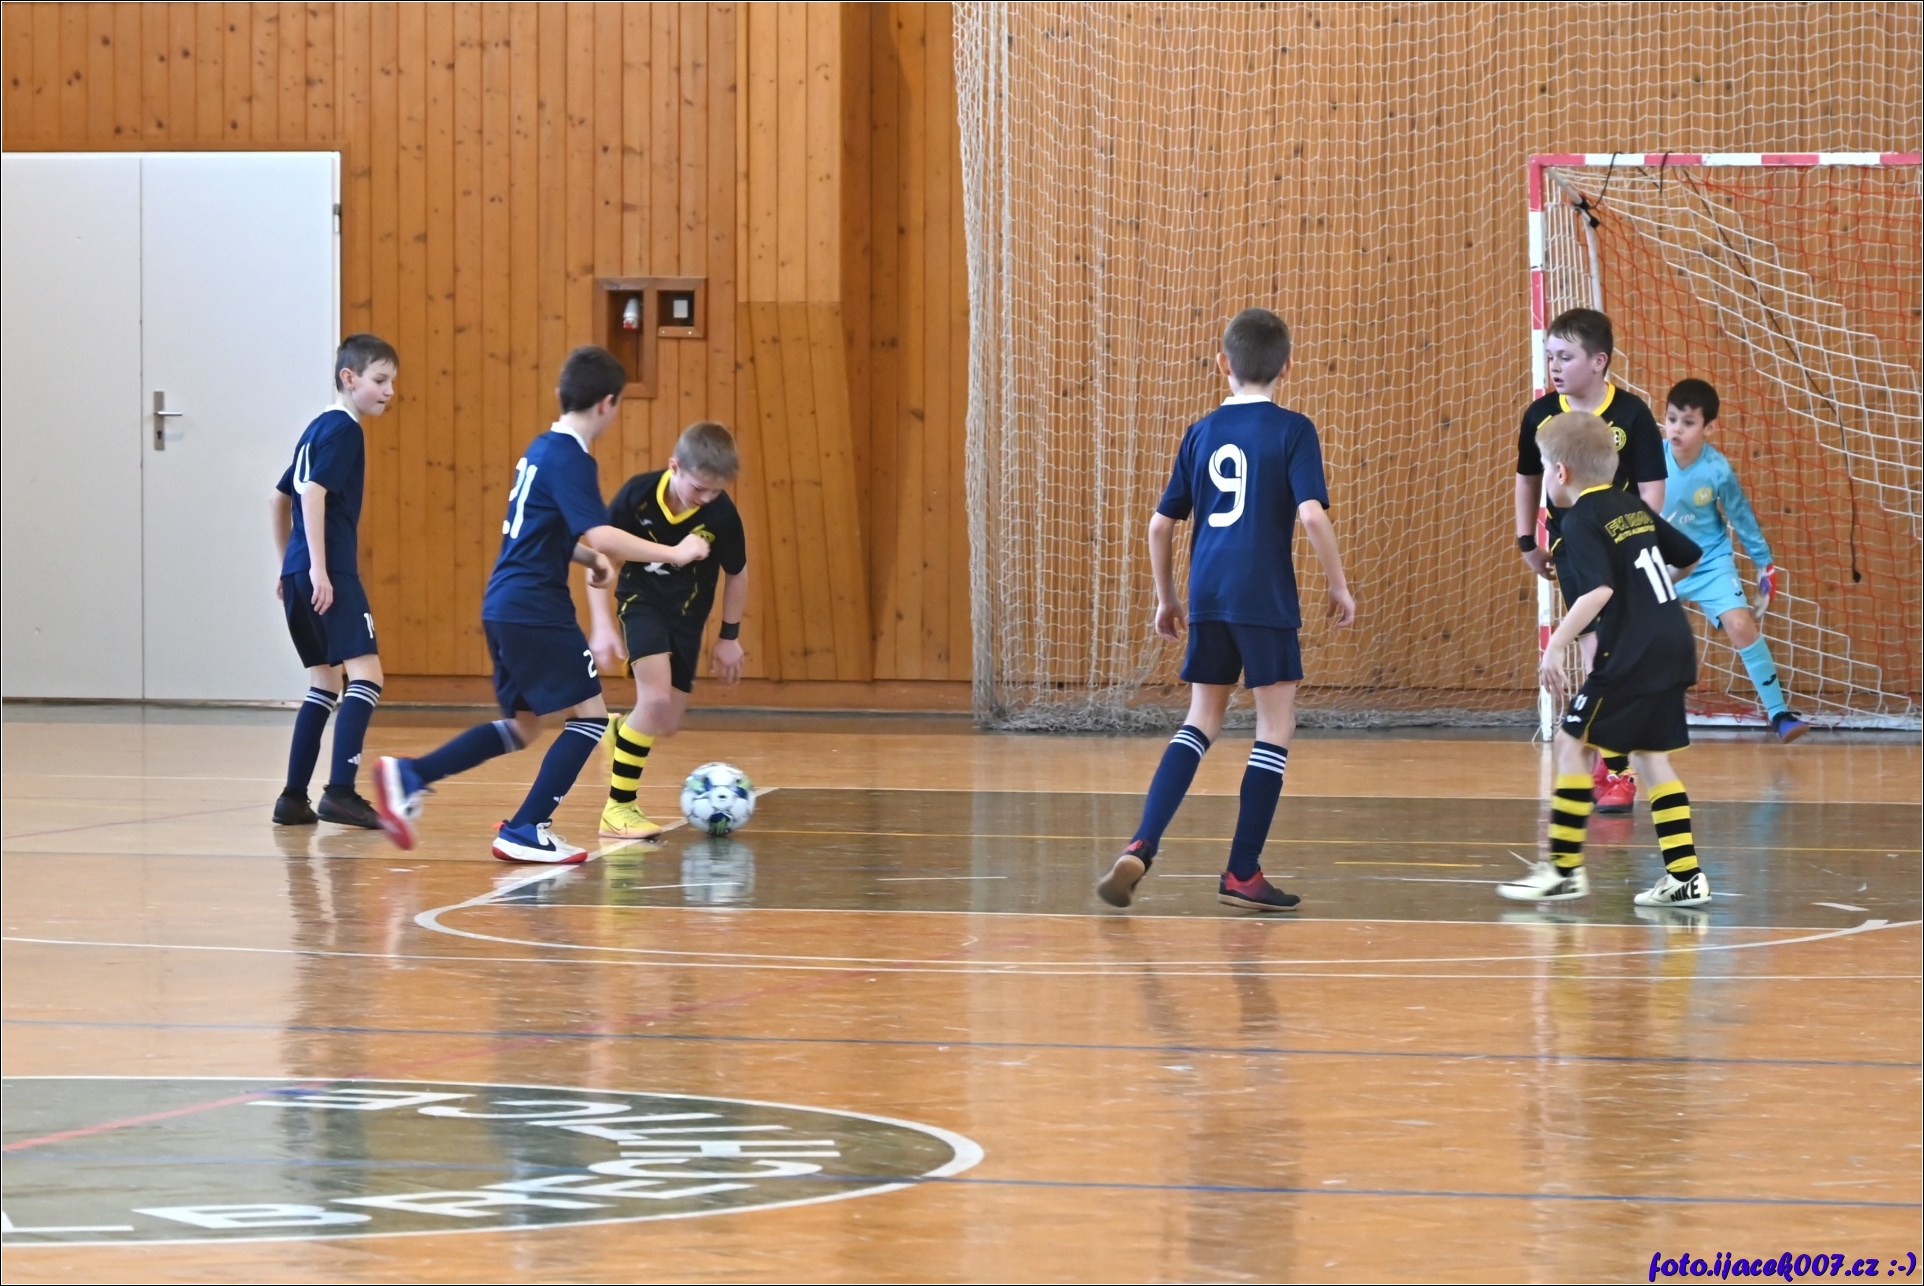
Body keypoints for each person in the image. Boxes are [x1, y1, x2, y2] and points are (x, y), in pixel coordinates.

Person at [369, 347, 711, 863]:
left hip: (504, 603)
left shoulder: (540, 449)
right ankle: (527, 828)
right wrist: (675, 552)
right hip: (536, 607)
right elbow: (601, 532)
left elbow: (543, 532)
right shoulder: (573, 458)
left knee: (524, 726)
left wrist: (587, 558)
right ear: (608, 403)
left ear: (561, 394)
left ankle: (411, 774)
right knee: (591, 719)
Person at [1096, 307, 1356, 913]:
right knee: (1274, 728)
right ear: (1286, 367)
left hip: (1209, 592)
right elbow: (1311, 515)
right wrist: (1339, 586)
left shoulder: (1201, 432)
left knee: (1200, 720)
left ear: (1223, 365)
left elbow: (1159, 525)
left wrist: (1167, 597)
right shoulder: (1294, 429)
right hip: (1263, 595)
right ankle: (1242, 872)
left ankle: (1142, 841)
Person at [1499, 411, 1712, 908]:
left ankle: (1563, 870)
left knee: (1571, 743)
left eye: (1546, 467)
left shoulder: (1580, 520)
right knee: (1651, 756)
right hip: (1672, 643)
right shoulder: (1631, 506)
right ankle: (1685, 877)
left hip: (1632, 651)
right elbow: (1689, 556)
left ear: (1560, 472)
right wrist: (1649, 593)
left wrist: (1555, 644)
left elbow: (1597, 591)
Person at [1512, 307, 1668, 814]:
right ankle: (1615, 766)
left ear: (1599, 361)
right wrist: (1527, 541)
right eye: (1550, 356)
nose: (1554, 366)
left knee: (1607, 655)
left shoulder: (1632, 414)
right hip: (1573, 548)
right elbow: (1526, 480)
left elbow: (1652, 489)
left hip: (1621, 549)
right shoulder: (1540, 414)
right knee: (1599, 652)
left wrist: (1636, 541)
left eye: (1566, 357)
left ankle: (1615, 766)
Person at [587, 422, 750, 841]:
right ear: (674, 466)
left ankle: (618, 731)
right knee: (655, 700)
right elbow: (600, 554)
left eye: (716, 491)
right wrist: (601, 623)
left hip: (688, 618)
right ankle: (619, 810)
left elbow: (737, 573)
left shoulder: (721, 514)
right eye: (699, 488)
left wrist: (729, 636)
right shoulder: (638, 494)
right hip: (641, 602)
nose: (707, 498)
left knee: (666, 722)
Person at [270, 334, 399, 829]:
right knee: (367, 676)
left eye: (391, 382)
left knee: (324, 683)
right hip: (330, 571)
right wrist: (321, 570)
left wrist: (289, 567)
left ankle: (292, 798)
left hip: (298, 571)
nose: (388, 391)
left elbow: (278, 498)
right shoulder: (345, 429)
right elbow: (312, 494)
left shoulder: (316, 428)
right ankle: (340, 793)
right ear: (349, 378)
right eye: (380, 380)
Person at [1660, 378, 1808, 742]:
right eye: (1672, 418)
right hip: (1659, 562)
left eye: (1688, 422)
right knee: (1643, 637)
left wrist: (1764, 564)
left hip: (1708, 561)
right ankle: (1632, 719)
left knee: (1741, 624)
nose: (1676, 428)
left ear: (1709, 428)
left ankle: (1779, 714)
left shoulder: (1718, 469)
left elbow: (1740, 516)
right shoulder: (1648, 458)